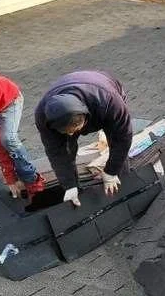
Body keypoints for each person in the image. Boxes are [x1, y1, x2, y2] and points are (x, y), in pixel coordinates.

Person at [34, 71, 132, 207]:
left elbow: (123, 138)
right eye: (65, 131)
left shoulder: (111, 102)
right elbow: (57, 153)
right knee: (67, 148)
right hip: (71, 99)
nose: (70, 134)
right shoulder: (43, 116)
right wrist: (69, 186)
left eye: (73, 130)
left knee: (116, 143)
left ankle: (122, 184)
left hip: (105, 89)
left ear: (85, 119)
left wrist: (111, 171)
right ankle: (77, 192)